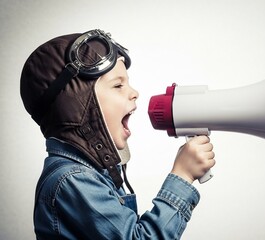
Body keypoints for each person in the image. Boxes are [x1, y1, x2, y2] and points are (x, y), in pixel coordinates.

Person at [20, 29, 216, 239]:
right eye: (118, 85)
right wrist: (183, 176)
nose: (134, 93)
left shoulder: (93, 173)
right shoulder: (72, 180)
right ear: (76, 106)